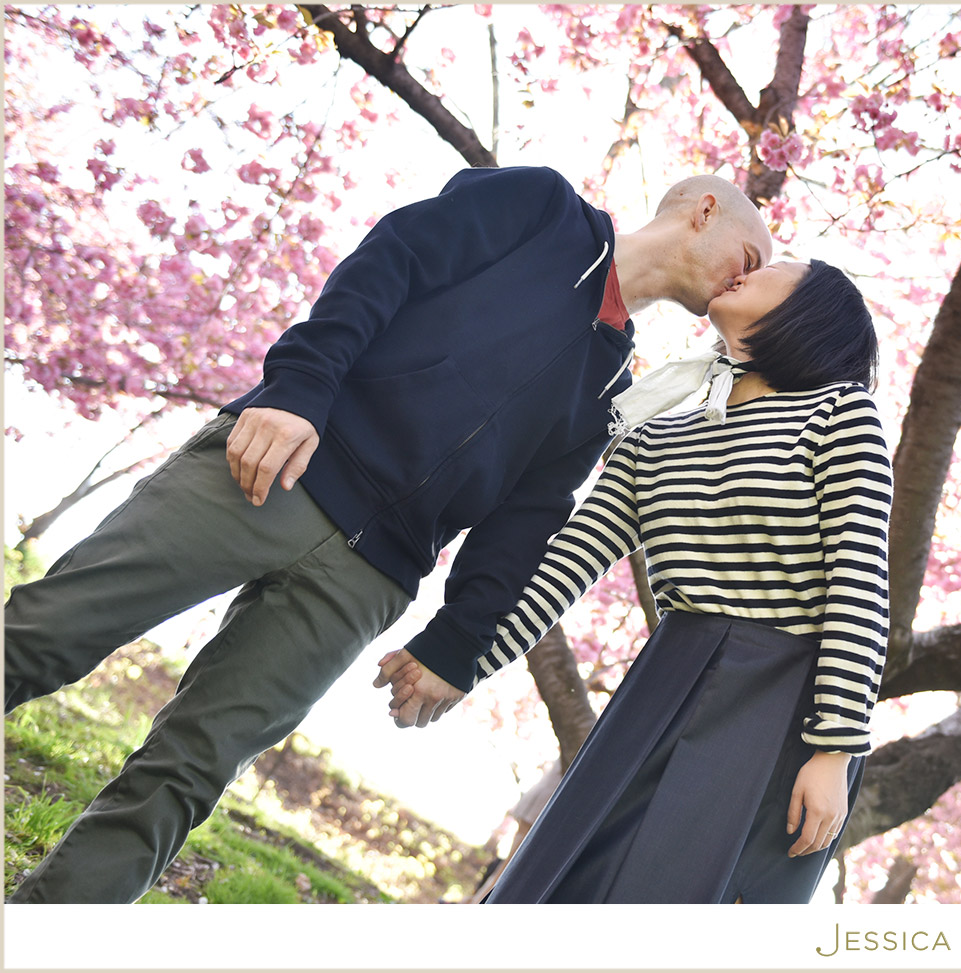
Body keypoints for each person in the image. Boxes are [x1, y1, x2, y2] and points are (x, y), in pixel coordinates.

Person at [4, 165, 773, 904]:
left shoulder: (613, 381)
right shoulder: (539, 210)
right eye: (750, 257)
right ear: (703, 209)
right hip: (283, 465)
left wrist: (456, 643)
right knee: (45, 632)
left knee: (187, 774)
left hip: (366, 579)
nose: (748, 281)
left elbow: (527, 520)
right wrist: (298, 390)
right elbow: (389, 262)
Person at [380, 258, 891, 903]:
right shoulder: (656, 429)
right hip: (665, 679)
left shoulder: (841, 417)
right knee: (565, 884)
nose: (749, 269)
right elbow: (568, 563)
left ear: (811, 312)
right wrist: (462, 660)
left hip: (786, 709)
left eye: (779, 269)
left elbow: (860, 588)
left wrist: (834, 752)